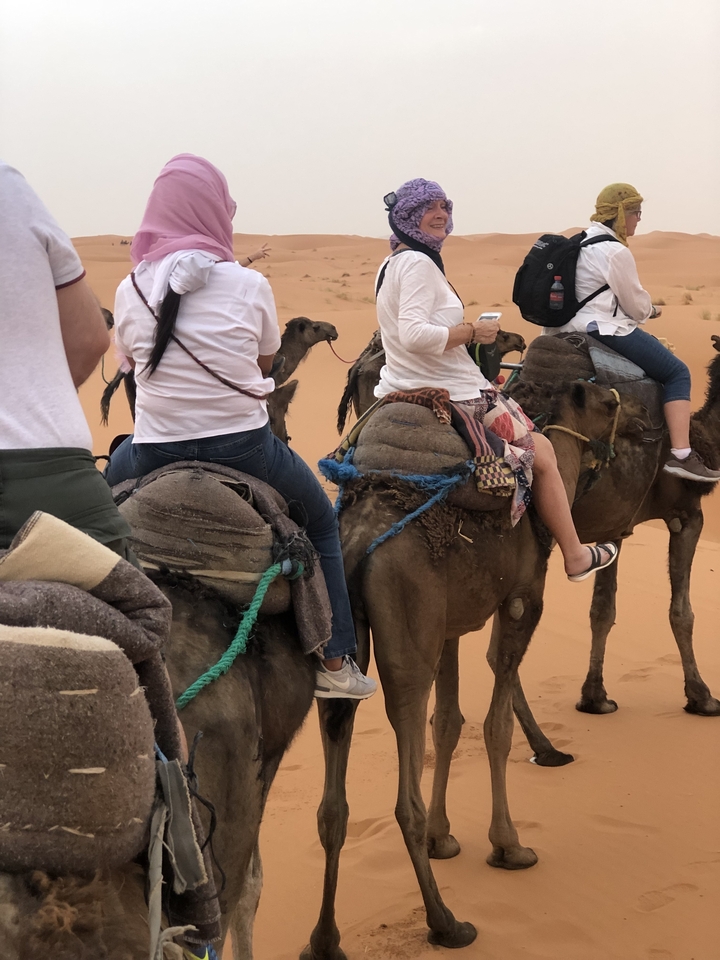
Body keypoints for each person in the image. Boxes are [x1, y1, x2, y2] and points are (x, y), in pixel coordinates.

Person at [103, 154, 376, 701]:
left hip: (153, 451)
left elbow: (130, 365)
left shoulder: (129, 289)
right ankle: (334, 659)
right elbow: (264, 364)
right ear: (215, 212)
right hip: (244, 449)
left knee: (100, 516)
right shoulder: (248, 284)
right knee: (321, 524)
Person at [374, 178, 618, 582]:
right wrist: (474, 333)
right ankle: (575, 555)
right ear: (407, 216)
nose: (440, 215)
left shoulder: (395, 260)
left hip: (400, 383)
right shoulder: (417, 263)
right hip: (453, 391)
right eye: (428, 208)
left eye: (445, 207)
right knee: (541, 451)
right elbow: (414, 335)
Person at [0, 160, 134, 554]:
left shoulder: (136, 285)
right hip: (49, 473)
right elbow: (92, 340)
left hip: (153, 441)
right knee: (140, 608)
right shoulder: (10, 189)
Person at [547, 182, 720, 482]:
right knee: (677, 372)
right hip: (602, 328)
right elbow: (637, 307)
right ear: (620, 213)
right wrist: (652, 310)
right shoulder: (615, 251)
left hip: (562, 328)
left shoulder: (580, 242)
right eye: (636, 212)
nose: (638, 219)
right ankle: (681, 454)